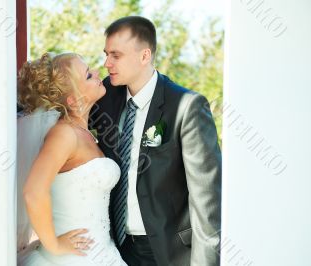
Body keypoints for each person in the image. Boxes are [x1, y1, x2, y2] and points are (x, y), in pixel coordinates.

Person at [90, 16, 222, 266]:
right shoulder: (104, 96)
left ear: (144, 56)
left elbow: (207, 203)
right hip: (113, 248)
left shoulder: (186, 107)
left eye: (116, 55)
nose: (107, 63)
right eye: (106, 54)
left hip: (167, 251)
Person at [17, 52, 127, 266]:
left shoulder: (84, 133)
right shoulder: (64, 134)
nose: (97, 73)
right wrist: (54, 245)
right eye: (88, 75)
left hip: (103, 253)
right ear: (73, 100)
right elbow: (33, 192)